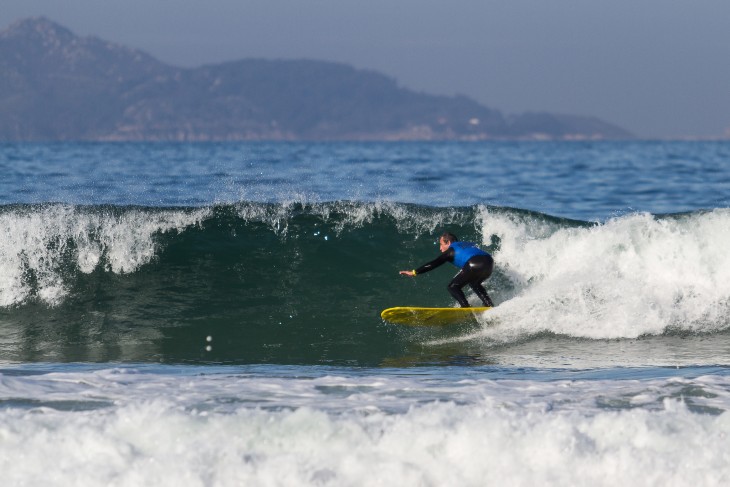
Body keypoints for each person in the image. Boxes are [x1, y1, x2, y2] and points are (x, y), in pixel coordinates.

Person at [400, 232, 495, 308]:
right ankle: (489, 304)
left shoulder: (451, 250)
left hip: (473, 263)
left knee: (453, 286)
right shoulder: (466, 244)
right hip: (489, 262)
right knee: (474, 283)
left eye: (441, 244)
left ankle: (465, 308)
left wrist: (414, 272)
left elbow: (434, 263)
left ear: (448, 243)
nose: (440, 248)